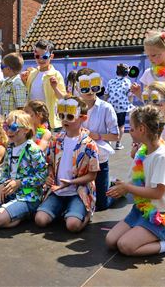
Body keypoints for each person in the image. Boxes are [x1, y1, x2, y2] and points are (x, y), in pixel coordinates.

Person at [105, 106, 165, 256]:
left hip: (160, 215)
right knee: (111, 241)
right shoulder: (143, 150)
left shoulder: (162, 156)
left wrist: (127, 189)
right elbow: (136, 180)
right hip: (142, 210)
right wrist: (120, 186)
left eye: (132, 128)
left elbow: (158, 193)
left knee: (125, 246)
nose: (130, 131)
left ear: (142, 129)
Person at [35, 97, 99, 232]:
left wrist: (71, 182)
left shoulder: (89, 144)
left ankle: (86, 213)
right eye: (61, 116)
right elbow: (50, 163)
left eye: (70, 116)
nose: (64, 120)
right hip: (58, 191)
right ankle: (65, 210)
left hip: (78, 192)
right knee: (40, 220)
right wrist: (49, 175)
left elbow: (92, 175)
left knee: (73, 226)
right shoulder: (56, 140)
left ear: (83, 118)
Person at [0, 110, 47, 228]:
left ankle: (24, 213)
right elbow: (5, 172)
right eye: (6, 126)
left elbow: (42, 177)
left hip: (27, 195)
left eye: (13, 127)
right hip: (9, 192)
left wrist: (19, 183)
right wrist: (1, 185)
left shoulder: (33, 150)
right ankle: (12, 211)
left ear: (26, 130)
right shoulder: (10, 148)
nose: (8, 130)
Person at [76, 68, 119, 211]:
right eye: (84, 87)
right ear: (77, 86)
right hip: (78, 158)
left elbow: (116, 135)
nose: (89, 91)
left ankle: (116, 188)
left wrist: (97, 136)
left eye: (93, 86)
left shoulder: (106, 108)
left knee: (102, 204)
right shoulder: (73, 107)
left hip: (99, 157)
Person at [22, 39, 66, 130]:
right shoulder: (32, 73)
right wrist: (23, 81)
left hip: (48, 119)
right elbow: (29, 94)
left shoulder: (56, 74)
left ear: (51, 56)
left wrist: (55, 88)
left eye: (45, 57)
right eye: (37, 56)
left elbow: (63, 98)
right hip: (32, 118)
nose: (41, 59)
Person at [105, 63, 134, 150]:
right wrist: (130, 104)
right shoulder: (127, 82)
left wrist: (105, 104)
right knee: (121, 126)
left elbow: (106, 94)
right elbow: (130, 95)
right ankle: (118, 143)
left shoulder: (110, 81)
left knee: (109, 124)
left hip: (111, 106)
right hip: (121, 106)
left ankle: (108, 141)